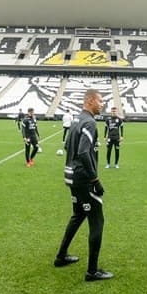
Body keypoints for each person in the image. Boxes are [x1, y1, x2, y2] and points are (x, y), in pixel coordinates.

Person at [54, 88, 113, 281]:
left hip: (70, 175)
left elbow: (67, 147)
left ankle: (61, 256)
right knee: (97, 221)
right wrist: (95, 180)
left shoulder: (76, 120)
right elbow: (82, 152)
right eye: (100, 100)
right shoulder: (89, 122)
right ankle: (92, 271)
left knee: (78, 214)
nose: (102, 104)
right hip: (83, 179)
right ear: (89, 101)